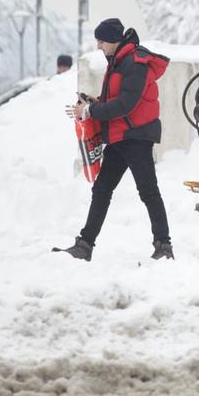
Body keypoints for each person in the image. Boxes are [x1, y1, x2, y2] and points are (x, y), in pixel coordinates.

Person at [53, 18, 174, 261]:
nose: (98, 46)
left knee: (148, 191)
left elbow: (126, 104)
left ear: (113, 40)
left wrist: (90, 112)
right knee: (102, 189)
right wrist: (93, 102)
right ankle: (84, 245)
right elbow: (116, 100)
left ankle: (164, 246)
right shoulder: (118, 61)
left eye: (101, 41)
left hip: (137, 137)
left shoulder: (135, 63)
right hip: (120, 136)